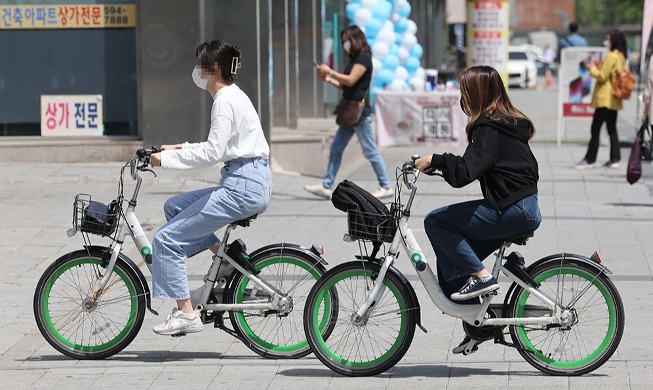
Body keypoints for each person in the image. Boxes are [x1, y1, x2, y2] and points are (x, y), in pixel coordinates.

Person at [414, 65, 542, 352]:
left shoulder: (488, 127)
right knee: (450, 274)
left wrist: (437, 159)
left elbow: (465, 173)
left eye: (464, 91)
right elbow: (474, 167)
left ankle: (482, 276)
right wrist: (440, 164)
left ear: (476, 93)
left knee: (436, 222)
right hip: (520, 206)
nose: (461, 97)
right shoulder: (502, 123)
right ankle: (479, 323)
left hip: (513, 208)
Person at [148, 40, 272, 336]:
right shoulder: (233, 95)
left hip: (242, 186)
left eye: (199, 65)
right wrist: (179, 146)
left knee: (166, 240)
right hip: (247, 180)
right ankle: (226, 259)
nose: (195, 71)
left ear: (214, 69)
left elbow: (212, 154)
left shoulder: (224, 102)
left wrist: (164, 159)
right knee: (175, 207)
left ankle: (186, 313)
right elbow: (223, 145)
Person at [304, 25, 393, 200]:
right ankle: (326, 185)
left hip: (360, 114)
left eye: (347, 40)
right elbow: (345, 85)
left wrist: (330, 72)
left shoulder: (364, 58)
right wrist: (328, 78)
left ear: (356, 39)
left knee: (370, 150)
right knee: (336, 148)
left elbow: (351, 80)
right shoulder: (354, 58)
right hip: (350, 112)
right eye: (343, 41)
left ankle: (386, 185)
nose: (345, 44)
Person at [575, 29, 628, 169]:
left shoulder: (611, 56)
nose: (606, 41)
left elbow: (602, 76)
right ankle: (615, 158)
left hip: (605, 97)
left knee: (595, 128)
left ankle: (589, 159)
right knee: (612, 128)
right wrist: (599, 66)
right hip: (614, 98)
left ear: (613, 40)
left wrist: (591, 68)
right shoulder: (621, 56)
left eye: (608, 38)